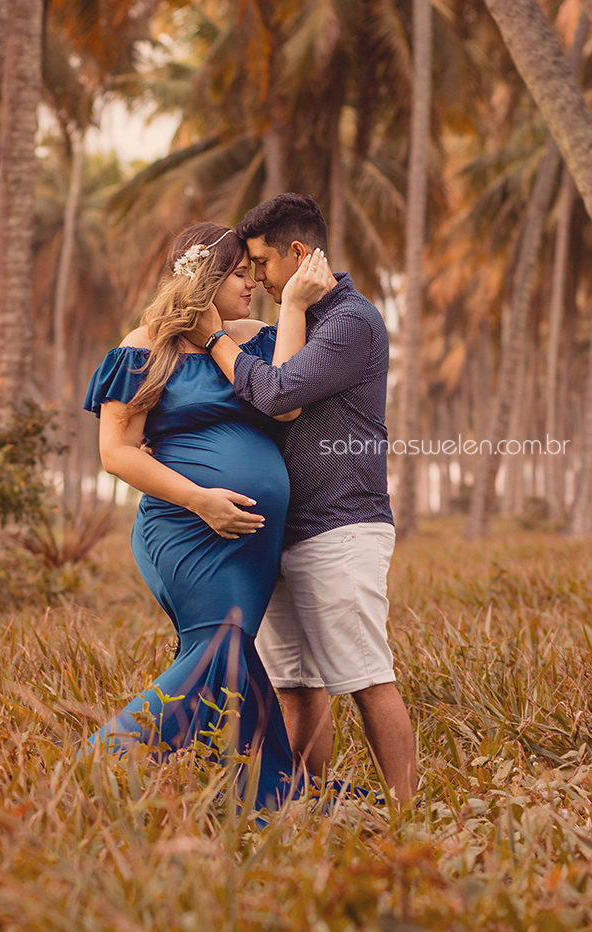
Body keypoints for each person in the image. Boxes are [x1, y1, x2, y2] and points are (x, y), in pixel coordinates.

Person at [82, 222, 332, 810]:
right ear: (206, 279)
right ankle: (99, 766)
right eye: (240, 274)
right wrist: (200, 499)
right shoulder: (144, 347)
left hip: (250, 543)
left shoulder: (254, 340)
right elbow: (115, 452)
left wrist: (292, 305)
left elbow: (288, 402)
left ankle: (263, 793)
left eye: (253, 272)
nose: (252, 284)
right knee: (220, 647)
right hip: (184, 528)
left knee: (235, 656)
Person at [186, 194, 417, 805]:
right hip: (284, 534)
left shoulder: (349, 323)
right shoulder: (297, 322)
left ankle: (406, 816)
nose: (256, 279)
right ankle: (307, 800)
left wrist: (214, 339)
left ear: (297, 253)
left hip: (340, 527)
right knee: (297, 685)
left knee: (366, 679)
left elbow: (279, 392)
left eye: (262, 264)